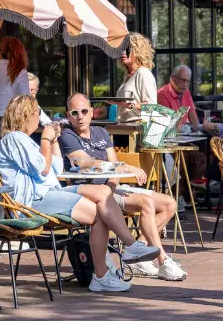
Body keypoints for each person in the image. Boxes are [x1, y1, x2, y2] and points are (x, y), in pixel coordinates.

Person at [0, 95, 160, 293]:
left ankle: (128, 250)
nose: (39, 119)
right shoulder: (14, 138)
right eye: (37, 115)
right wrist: (46, 138)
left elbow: (55, 167)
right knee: (100, 215)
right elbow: (42, 169)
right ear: (26, 115)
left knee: (103, 192)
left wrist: (54, 140)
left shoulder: (25, 140)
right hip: (32, 202)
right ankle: (104, 273)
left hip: (50, 192)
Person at [57, 93, 186, 281]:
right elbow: (86, 162)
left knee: (169, 204)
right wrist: (121, 171)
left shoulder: (101, 133)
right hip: (89, 193)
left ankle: (139, 255)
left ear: (92, 113)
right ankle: (162, 260)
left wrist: (110, 187)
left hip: (110, 189)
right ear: (69, 115)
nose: (80, 116)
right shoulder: (67, 135)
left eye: (84, 111)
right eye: (75, 113)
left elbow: (114, 166)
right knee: (145, 202)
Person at [115, 32, 158, 122]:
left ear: (138, 51)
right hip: (124, 127)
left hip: (137, 129)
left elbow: (151, 106)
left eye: (127, 49)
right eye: (121, 49)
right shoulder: (128, 75)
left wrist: (129, 105)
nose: (123, 52)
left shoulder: (143, 73)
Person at [158, 66, 202, 132]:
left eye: (187, 81)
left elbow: (194, 120)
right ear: (172, 78)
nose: (185, 85)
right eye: (182, 80)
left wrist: (200, 128)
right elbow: (169, 126)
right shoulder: (162, 94)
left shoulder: (186, 92)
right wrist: (189, 129)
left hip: (183, 137)